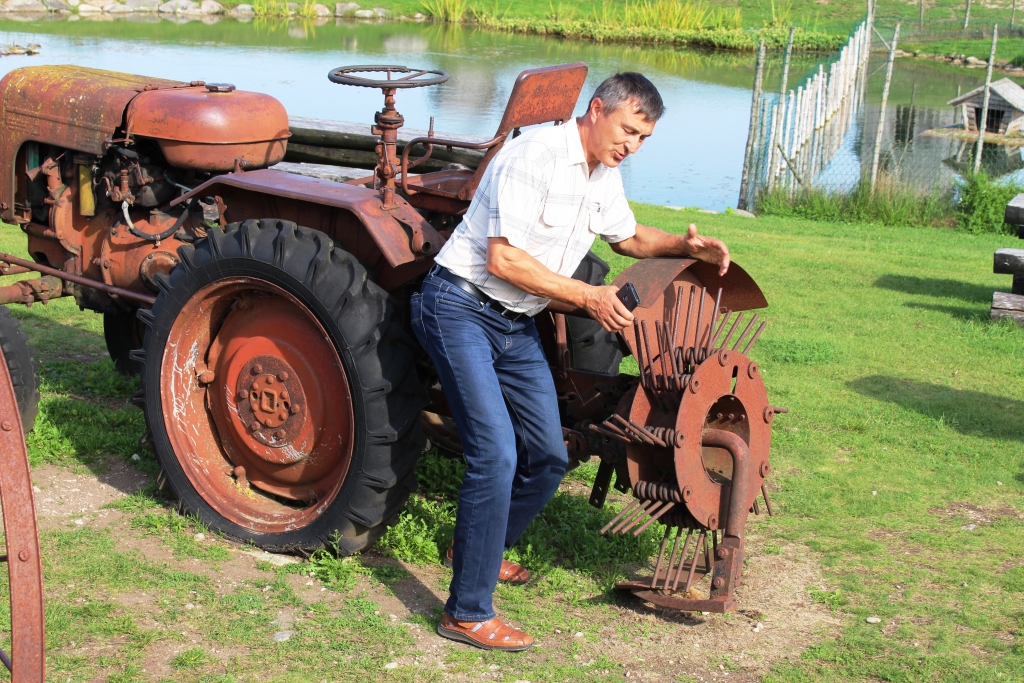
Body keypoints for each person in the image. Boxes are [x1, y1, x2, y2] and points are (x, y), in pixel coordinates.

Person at [410, 71, 730, 652]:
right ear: (597, 108)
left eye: (643, 139)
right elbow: (504, 261)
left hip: (512, 322)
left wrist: (685, 246)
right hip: (459, 307)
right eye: (628, 130)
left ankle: (474, 548)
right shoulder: (532, 155)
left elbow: (628, 238)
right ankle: (465, 612)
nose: (631, 145)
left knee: (550, 455)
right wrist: (588, 297)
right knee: (495, 453)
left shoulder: (603, 174)